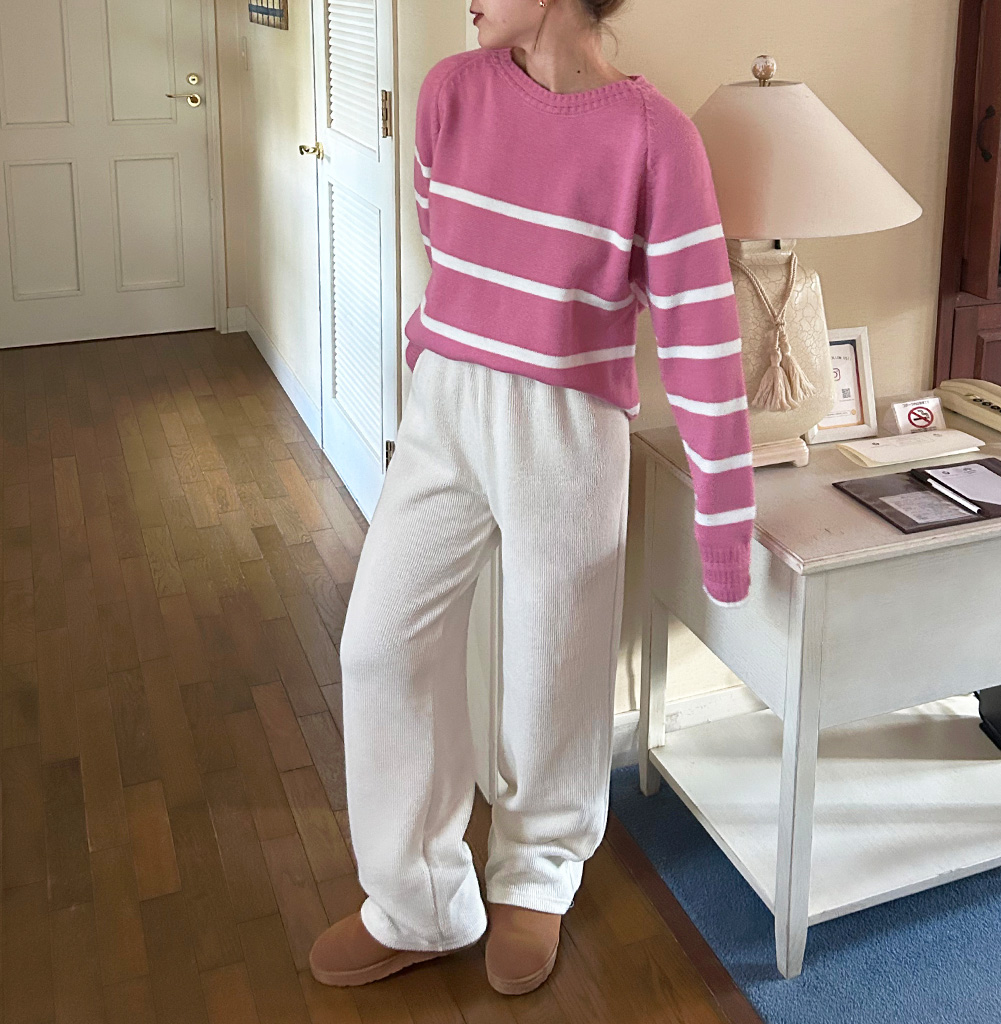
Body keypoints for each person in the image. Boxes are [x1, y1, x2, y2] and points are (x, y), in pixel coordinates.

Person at [308, 0, 756, 998]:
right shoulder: (448, 94)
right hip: (445, 408)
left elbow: (700, 336)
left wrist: (725, 519)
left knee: (555, 668)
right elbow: (445, 245)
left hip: (568, 428)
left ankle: (539, 873)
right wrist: (435, 355)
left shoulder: (655, 139)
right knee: (379, 647)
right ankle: (418, 901)